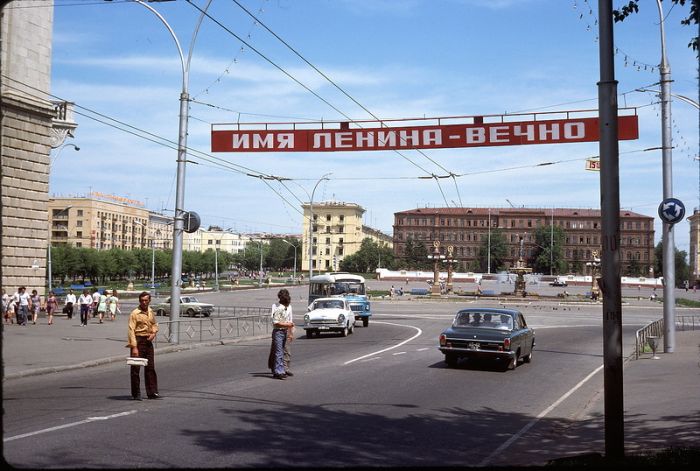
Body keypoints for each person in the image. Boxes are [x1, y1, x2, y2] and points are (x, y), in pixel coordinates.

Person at [126, 291, 161, 400]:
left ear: (149, 300)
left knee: (150, 367)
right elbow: (131, 330)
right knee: (135, 368)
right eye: (142, 300)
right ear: (139, 301)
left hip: (148, 340)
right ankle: (136, 393)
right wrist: (134, 347)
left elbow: (154, 324)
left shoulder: (150, 311)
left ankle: (152, 392)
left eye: (146, 300)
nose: (144, 302)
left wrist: (153, 333)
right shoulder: (135, 313)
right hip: (138, 340)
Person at [269, 288, 294, 380]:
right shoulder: (278, 308)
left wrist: (290, 331)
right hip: (278, 332)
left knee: (284, 351)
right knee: (278, 352)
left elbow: (289, 319)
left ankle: (281, 370)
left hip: (284, 331)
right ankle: (278, 371)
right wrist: (287, 324)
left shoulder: (286, 308)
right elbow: (275, 322)